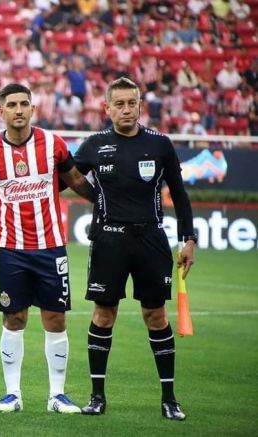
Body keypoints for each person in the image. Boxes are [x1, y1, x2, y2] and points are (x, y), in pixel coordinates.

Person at [73, 77, 195, 420]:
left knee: (156, 316)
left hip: (151, 240)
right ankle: (97, 396)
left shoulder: (160, 144)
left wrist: (189, 238)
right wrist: (95, 198)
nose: (126, 109)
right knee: (103, 315)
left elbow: (180, 193)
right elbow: (68, 176)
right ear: (107, 108)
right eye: (120, 104)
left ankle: (169, 399)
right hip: (109, 240)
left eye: (132, 103)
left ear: (140, 105)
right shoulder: (95, 144)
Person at [0, 83, 95, 414]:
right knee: (13, 318)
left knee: (55, 318)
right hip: (11, 249)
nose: (18, 109)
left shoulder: (52, 144)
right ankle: (12, 394)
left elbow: (75, 181)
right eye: (12, 104)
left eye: (24, 104)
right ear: (0, 112)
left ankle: (57, 396)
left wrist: (105, 203)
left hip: (51, 248)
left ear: (33, 109)